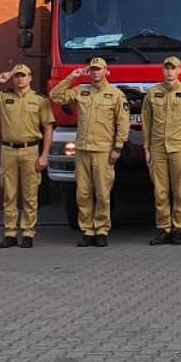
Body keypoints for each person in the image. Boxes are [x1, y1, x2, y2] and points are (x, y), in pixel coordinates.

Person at [0, 64, 52, 248]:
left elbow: (48, 127)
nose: (20, 79)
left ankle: (28, 233)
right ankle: (10, 233)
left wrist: (45, 154)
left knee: (30, 194)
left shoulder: (40, 100)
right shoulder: (4, 97)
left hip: (30, 150)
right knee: (10, 194)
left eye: (23, 76)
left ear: (30, 78)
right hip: (8, 151)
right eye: (16, 76)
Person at [50, 57, 128, 247]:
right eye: (92, 69)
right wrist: (72, 77)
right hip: (82, 150)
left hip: (103, 151)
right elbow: (55, 96)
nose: (95, 72)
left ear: (106, 71)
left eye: (98, 69)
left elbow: (122, 123)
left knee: (102, 193)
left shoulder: (115, 95)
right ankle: (87, 230)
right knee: (83, 194)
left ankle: (101, 230)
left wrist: (117, 147)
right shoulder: (81, 91)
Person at [143, 56, 181, 246]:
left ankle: (178, 229)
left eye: (173, 68)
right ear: (162, 71)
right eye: (166, 68)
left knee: (179, 191)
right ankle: (163, 229)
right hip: (158, 147)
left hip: (179, 148)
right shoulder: (153, 93)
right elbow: (146, 122)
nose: (169, 72)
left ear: (179, 71)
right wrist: (147, 148)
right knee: (160, 191)